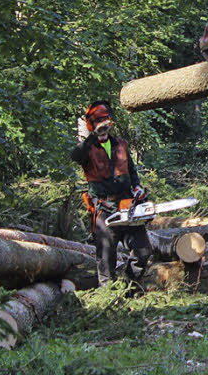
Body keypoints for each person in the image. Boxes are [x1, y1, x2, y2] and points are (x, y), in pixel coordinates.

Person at [71, 102, 152, 286]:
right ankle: (108, 292)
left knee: (143, 251)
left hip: (127, 205)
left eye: (105, 120)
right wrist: (91, 136)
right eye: (98, 122)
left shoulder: (121, 144)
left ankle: (131, 285)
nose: (103, 125)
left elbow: (132, 172)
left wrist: (137, 187)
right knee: (106, 256)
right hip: (105, 208)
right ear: (92, 125)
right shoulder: (87, 149)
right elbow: (75, 156)